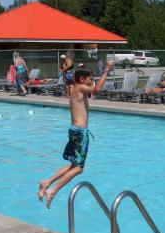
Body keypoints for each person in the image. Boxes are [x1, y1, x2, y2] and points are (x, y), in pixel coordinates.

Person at [38, 59, 115, 209]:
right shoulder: (80, 88)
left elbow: (94, 87)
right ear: (82, 79)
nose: (92, 82)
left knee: (73, 165)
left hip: (75, 131)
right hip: (80, 133)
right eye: (90, 79)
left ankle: (46, 183)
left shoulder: (77, 88)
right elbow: (97, 89)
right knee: (79, 168)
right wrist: (106, 69)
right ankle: (53, 191)